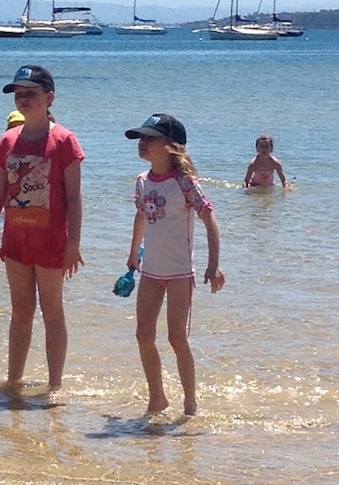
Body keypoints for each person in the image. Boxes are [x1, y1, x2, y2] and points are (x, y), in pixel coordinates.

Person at [0, 65, 84, 391]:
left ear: (49, 97)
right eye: (18, 94)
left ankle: (55, 386)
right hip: (16, 240)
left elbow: (74, 198)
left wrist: (73, 244)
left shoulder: (64, 140)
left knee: (52, 312)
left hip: (52, 241)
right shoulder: (9, 140)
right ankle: (14, 380)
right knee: (20, 312)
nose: (23, 99)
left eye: (30, 93)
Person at [123, 113, 225, 416]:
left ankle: (190, 402)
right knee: (143, 335)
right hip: (151, 272)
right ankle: (157, 397)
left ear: (171, 146)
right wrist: (132, 254)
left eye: (149, 138)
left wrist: (213, 265)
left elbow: (211, 221)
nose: (142, 144)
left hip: (181, 273)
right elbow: (141, 216)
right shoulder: (142, 181)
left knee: (177, 338)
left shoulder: (184, 183)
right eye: (141, 138)